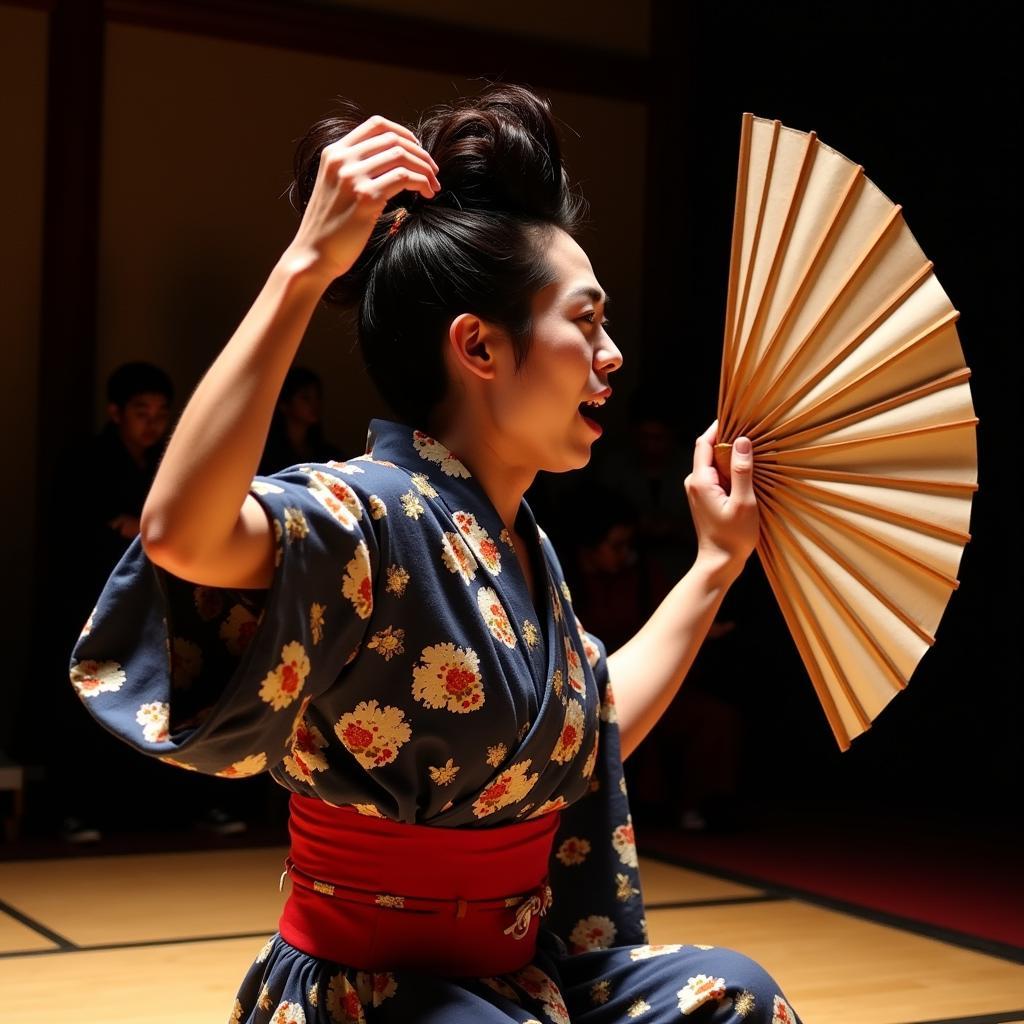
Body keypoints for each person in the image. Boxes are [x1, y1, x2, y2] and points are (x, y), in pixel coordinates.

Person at [68, 84, 804, 1022]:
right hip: (372, 993)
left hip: (510, 972)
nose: (612, 353)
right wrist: (304, 264)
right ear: (480, 348)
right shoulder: (368, 514)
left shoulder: (520, 544)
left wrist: (715, 564)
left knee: (736, 999)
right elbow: (182, 536)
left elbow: (593, 729)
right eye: (586, 320)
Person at [258, 365, 344, 475]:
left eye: (317, 397)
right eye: (305, 398)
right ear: (284, 404)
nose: (315, 404)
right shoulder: (268, 456)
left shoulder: (327, 454)